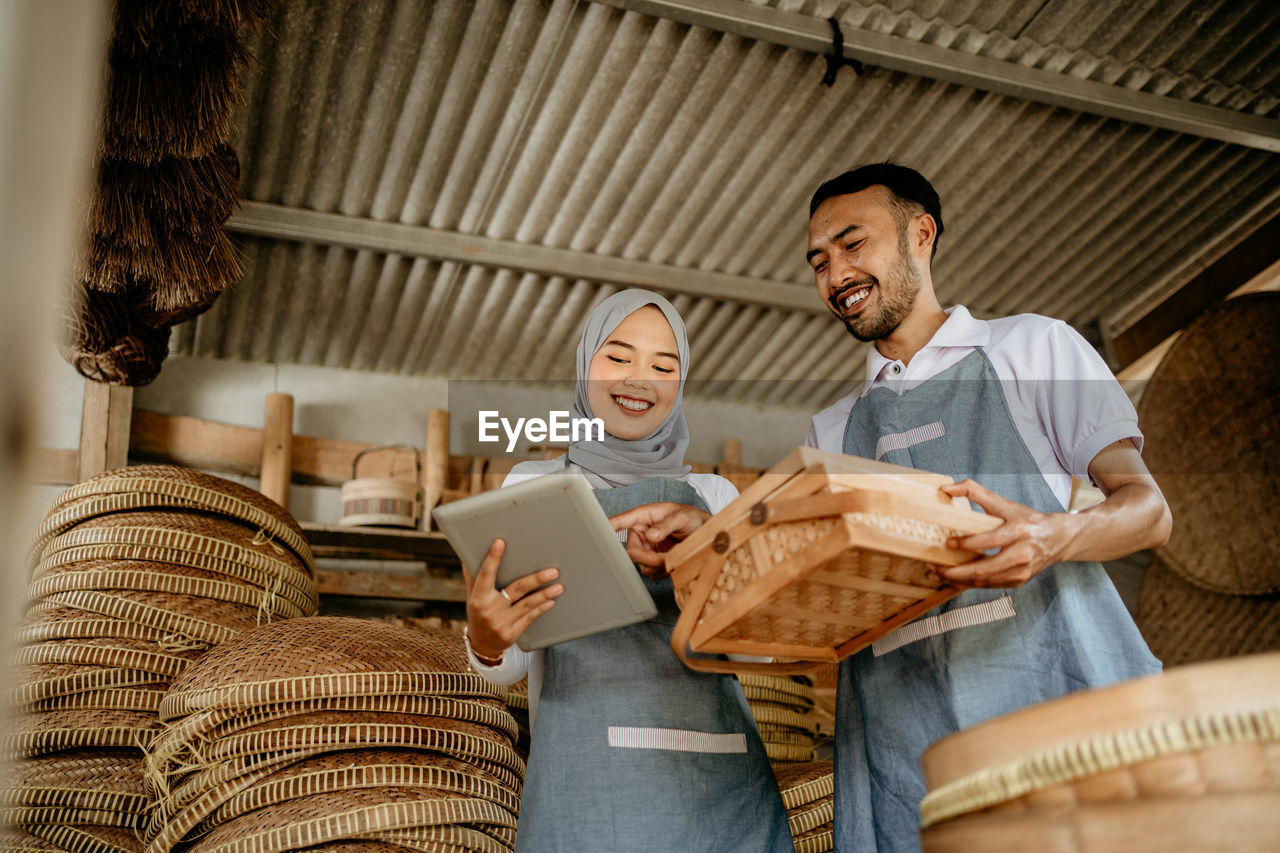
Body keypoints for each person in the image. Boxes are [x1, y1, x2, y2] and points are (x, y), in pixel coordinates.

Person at [802, 163, 1170, 852]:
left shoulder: (1031, 348)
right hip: (904, 760)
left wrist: (1054, 535)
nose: (836, 273)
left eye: (854, 244)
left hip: (1055, 712)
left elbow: (1148, 509)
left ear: (921, 234)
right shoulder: (829, 433)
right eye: (820, 261)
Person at [462, 289, 795, 853]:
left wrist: (701, 557)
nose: (640, 379)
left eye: (664, 366)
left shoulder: (714, 496)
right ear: (585, 365)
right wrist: (486, 639)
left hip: (721, 786)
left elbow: (756, 649)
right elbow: (510, 665)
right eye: (618, 357)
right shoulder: (533, 487)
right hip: (590, 784)